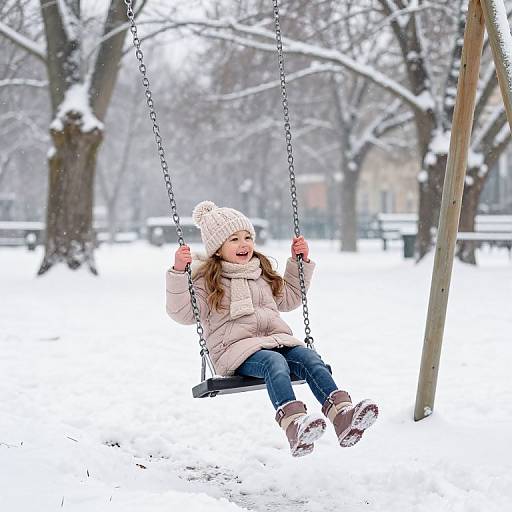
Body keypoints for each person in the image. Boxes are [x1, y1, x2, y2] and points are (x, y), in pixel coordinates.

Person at [166, 201, 378, 457]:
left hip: (276, 340)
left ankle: (343, 416)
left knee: (309, 357)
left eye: (247, 237)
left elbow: (289, 298)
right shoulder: (208, 280)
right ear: (217, 249)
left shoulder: (261, 272)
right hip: (235, 350)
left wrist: (300, 263)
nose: (244, 244)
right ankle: (295, 425)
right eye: (234, 239)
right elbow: (182, 313)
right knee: (274, 362)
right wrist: (179, 272)